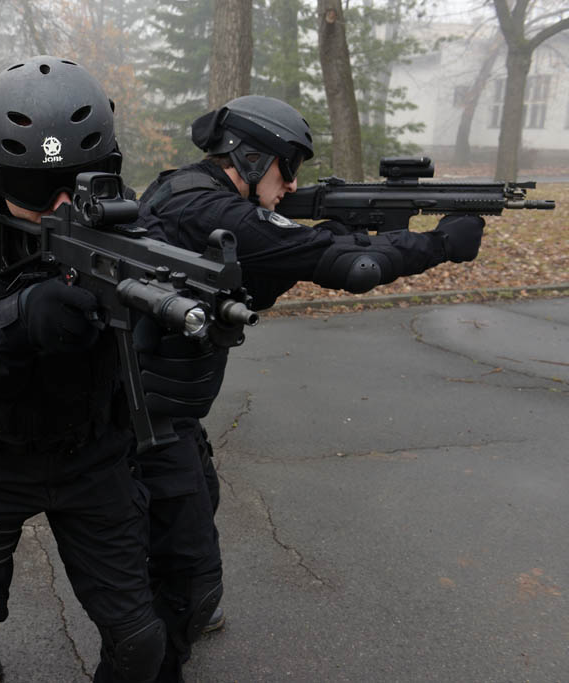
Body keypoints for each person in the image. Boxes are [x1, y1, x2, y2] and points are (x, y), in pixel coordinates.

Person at [134, 94, 485, 672]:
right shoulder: (216, 211)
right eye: (286, 166)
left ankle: (172, 606)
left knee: (197, 500)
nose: (292, 184)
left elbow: (254, 271)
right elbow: (352, 266)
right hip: (146, 415)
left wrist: (332, 231)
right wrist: (439, 244)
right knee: (187, 564)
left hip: (162, 404)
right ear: (247, 158)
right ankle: (166, 630)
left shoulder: (183, 190)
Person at [0, 56, 174, 683]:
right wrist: (19, 321)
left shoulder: (125, 218)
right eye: (30, 190)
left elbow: (175, 299)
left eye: (81, 183)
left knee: (139, 644)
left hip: (92, 455)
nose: (58, 205)